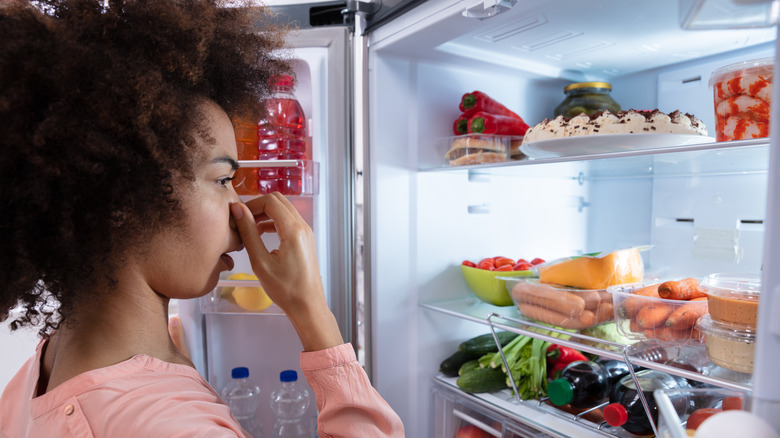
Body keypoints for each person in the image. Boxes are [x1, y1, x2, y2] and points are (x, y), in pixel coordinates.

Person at [0, 1, 404, 437]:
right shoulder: (177, 427)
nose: (240, 208)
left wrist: (167, 360)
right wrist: (314, 316)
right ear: (122, 201)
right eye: (223, 179)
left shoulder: (43, 367)